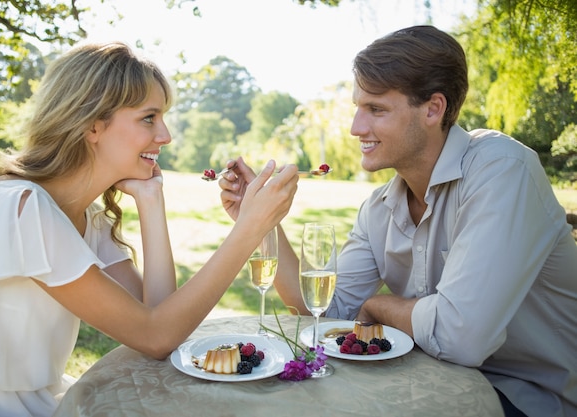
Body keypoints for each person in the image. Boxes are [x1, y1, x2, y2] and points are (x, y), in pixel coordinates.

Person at [219, 26, 577, 417]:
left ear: (432, 109)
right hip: (436, 387)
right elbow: (325, 310)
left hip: (529, 397)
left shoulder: (502, 171)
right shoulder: (379, 209)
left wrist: (380, 305)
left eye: (376, 109)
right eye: (358, 108)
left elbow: (461, 338)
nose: (356, 128)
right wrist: (261, 222)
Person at [0, 42, 299, 417]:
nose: (164, 135)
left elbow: (160, 321)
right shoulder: (20, 207)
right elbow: (154, 336)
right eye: (149, 118)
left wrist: (151, 201)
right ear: (92, 125)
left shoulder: (86, 218)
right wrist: (249, 230)